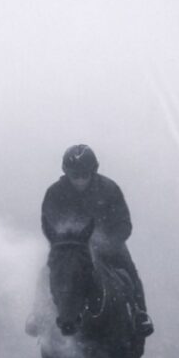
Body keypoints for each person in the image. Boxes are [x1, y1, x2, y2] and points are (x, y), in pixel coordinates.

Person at [27, 144, 154, 337]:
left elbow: (124, 224)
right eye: (74, 175)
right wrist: (66, 241)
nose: (80, 180)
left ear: (93, 172)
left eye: (84, 175)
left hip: (108, 246)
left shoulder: (110, 189)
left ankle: (140, 314)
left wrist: (107, 243)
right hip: (69, 247)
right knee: (45, 273)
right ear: (66, 173)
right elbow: (49, 223)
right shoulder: (54, 193)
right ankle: (37, 315)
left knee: (129, 269)